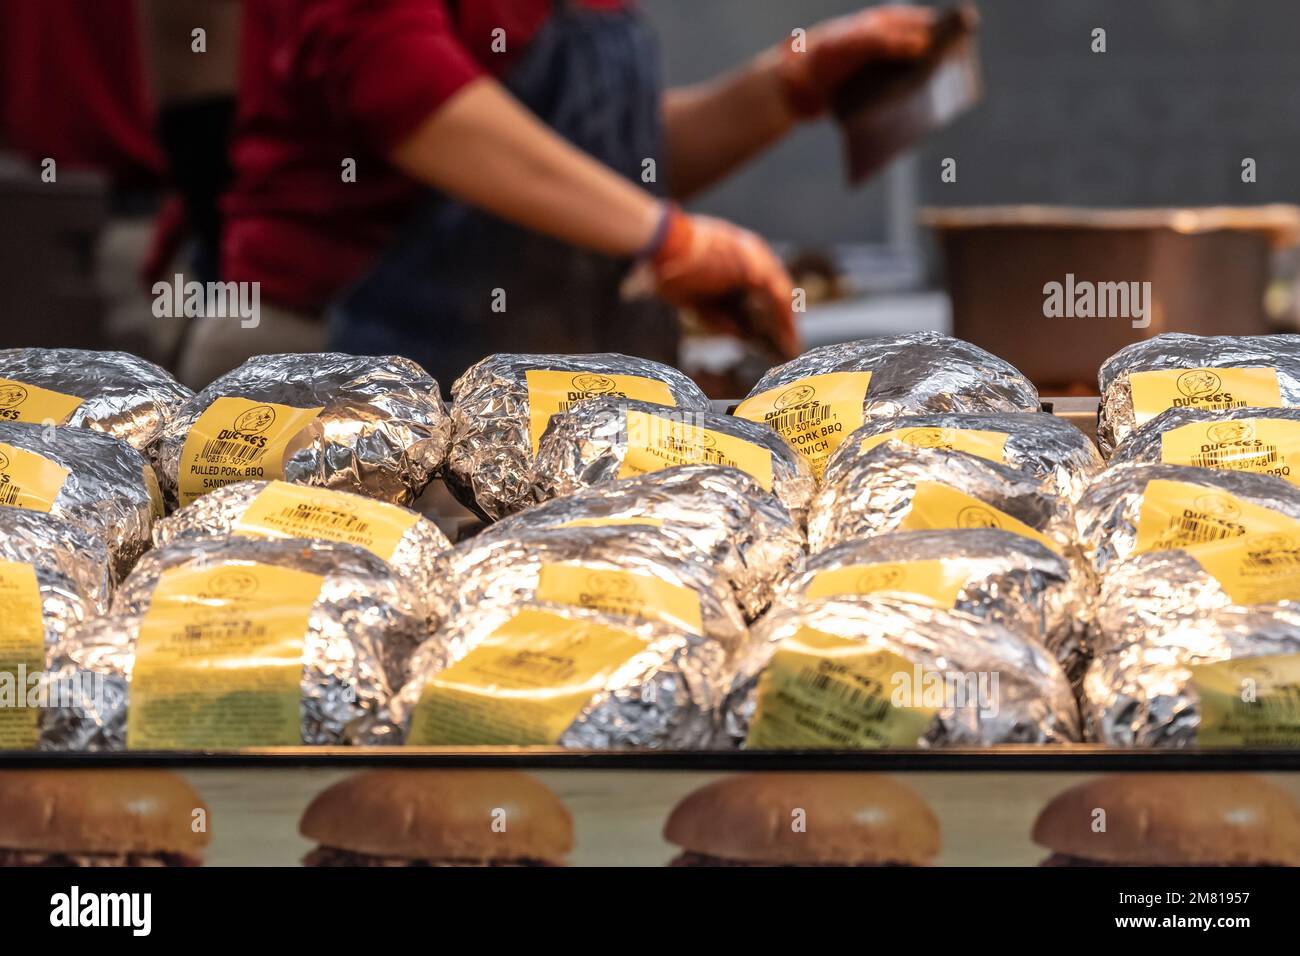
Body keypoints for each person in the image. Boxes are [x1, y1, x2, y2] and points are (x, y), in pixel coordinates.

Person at [197, 0, 936, 390]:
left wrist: (789, 87)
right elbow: (411, 97)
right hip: (335, 374)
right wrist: (672, 239)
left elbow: (603, 172)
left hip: (538, 395)